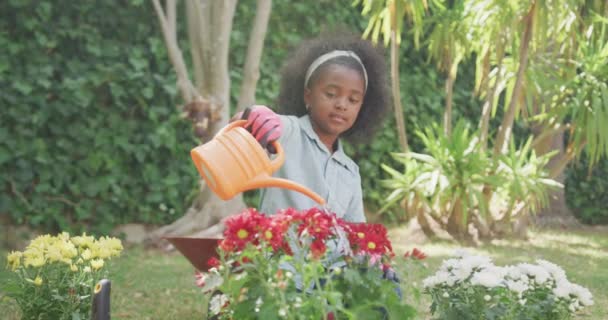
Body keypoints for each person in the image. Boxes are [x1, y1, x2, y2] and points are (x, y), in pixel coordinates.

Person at [237, 31, 391, 223]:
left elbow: (356, 235)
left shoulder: (350, 172)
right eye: (331, 93)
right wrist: (256, 118)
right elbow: (245, 123)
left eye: (353, 100)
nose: (342, 105)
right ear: (307, 96)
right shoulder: (287, 133)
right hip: (277, 252)